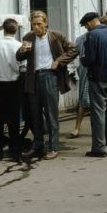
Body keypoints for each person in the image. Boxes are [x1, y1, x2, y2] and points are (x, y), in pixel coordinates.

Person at [16, 11, 78, 160]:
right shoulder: (28, 37)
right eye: (33, 24)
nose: (36, 27)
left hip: (50, 76)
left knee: (51, 114)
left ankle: (53, 147)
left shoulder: (56, 36)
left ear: (46, 23)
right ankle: (37, 145)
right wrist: (22, 50)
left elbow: (74, 49)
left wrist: (59, 61)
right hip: (33, 78)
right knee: (34, 114)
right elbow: (19, 57)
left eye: (39, 24)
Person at [79, 12, 107, 157]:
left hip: (98, 77)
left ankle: (99, 147)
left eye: (86, 25)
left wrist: (82, 58)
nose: (86, 28)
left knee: (98, 112)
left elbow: (89, 59)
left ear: (91, 22)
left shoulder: (92, 36)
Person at [0, 18, 23, 160]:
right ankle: (15, 148)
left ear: (3, 29)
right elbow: (22, 66)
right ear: (16, 30)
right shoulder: (19, 45)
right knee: (14, 117)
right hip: (14, 84)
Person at [68, 29, 90, 139]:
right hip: (87, 71)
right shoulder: (81, 39)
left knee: (84, 101)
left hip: (88, 71)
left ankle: (77, 128)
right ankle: (77, 127)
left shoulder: (80, 38)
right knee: (84, 100)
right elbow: (73, 52)